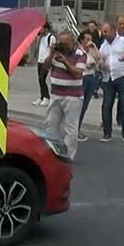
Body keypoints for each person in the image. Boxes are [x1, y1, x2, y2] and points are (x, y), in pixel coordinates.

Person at [44, 30, 87, 160]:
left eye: (66, 44)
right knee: (50, 124)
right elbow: (45, 67)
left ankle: (68, 156)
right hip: (56, 95)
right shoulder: (56, 52)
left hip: (73, 97)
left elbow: (78, 73)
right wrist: (51, 54)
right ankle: (51, 153)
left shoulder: (80, 53)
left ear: (73, 42)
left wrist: (65, 62)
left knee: (70, 128)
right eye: (61, 43)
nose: (64, 47)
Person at [99, 22, 124, 143]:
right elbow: (100, 61)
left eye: (106, 31)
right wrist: (101, 65)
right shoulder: (103, 46)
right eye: (102, 32)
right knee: (106, 105)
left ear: (113, 30)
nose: (103, 34)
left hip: (123, 77)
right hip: (108, 78)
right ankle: (107, 133)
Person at [76, 29, 101, 142]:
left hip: (91, 78)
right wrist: (86, 65)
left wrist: (94, 46)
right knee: (78, 105)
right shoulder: (78, 51)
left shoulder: (90, 50)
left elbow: (99, 58)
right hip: (82, 78)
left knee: (85, 105)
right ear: (82, 40)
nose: (89, 41)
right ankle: (74, 129)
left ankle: (78, 128)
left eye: (91, 39)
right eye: (87, 39)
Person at [33, 23, 57, 106]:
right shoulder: (41, 37)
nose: (40, 30)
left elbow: (52, 50)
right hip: (40, 60)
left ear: (46, 29)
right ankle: (42, 96)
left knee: (42, 78)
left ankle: (46, 97)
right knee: (40, 80)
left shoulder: (51, 37)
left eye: (42, 29)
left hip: (46, 61)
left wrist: (49, 61)